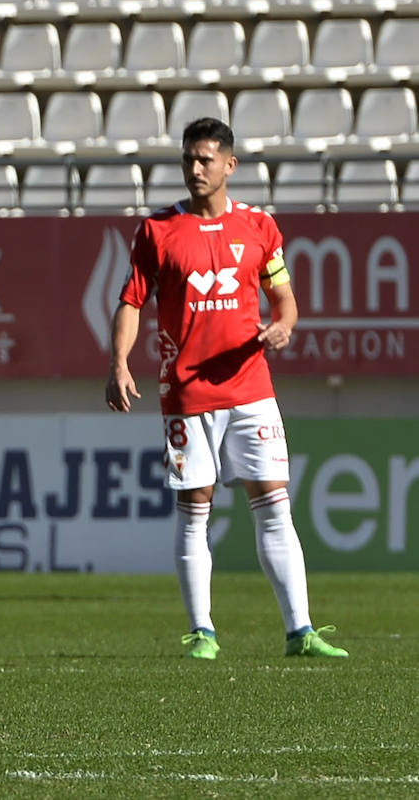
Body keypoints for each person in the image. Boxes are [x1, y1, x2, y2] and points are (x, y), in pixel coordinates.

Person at [106, 116, 348, 661]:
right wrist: (120, 362)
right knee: (196, 508)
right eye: (189, 158)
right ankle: (202, 631)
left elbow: (284, 298)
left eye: (205, 159)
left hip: (251, 390)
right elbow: (130, 303)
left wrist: (284, 325)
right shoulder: (158, 230)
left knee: (274, 505)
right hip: (187, 395)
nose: (195, 167)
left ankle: (300, 631)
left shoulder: (260, 227)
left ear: (229, 165)